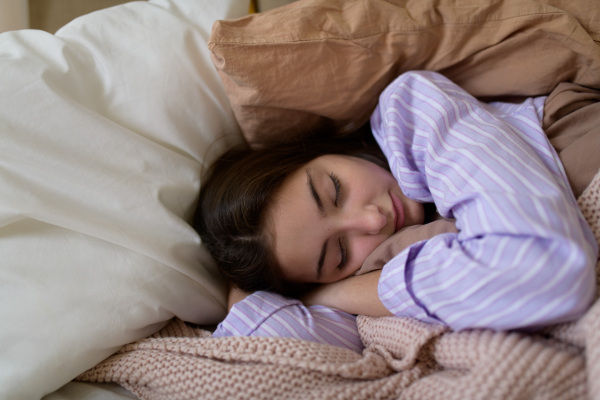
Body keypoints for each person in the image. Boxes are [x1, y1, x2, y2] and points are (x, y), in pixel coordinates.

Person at [195, 71, 598, 352]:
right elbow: (265, 349)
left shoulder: (411, 111)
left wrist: (332, 289)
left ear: (318, 152)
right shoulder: (367, 279)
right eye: (338, 253)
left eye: (334, 189)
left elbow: (544, 268)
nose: (372, 221)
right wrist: (256, 291)